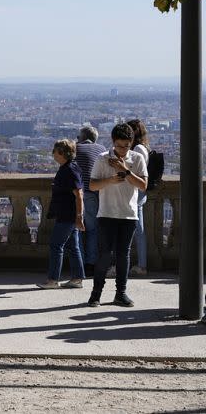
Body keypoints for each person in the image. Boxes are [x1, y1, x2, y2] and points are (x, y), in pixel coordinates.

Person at [88, 123, 148, 308]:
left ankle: (120, 293)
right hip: (106, 213)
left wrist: (125, 171)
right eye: (120, 146)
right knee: (105, 254)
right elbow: (92, 186)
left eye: (126, 146)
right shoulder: (102, 159)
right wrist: (111, 180)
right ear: (113, 143)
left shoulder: (137, 158)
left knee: (123, 255)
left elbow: (143, 185)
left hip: (128, 214)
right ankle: (96, 293)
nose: (123, 150)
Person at [38, 139, 86, 289]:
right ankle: (77, 278)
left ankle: (53, 280)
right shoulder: (70, 167)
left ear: (62, 153)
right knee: (73, 246)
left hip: (67, 215)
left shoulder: (69, 170)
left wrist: (79, 217)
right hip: (68, 214)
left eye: (55, 151)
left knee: (56, 245)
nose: (53, 154)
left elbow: (79, 194)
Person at [75, 125, 107, 277]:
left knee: (78, 229)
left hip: (79, 192)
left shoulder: (75, 148)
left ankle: (79, 263)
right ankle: (91, 263)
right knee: (93, 229)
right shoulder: (102, 149)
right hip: (95, 192)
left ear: (82, 138)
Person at [126, 119, 150, 276]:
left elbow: (138, 171)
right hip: (137, 190)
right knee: (138, 229)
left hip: (137, 190)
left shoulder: (139, 149)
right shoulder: (142, 147)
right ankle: (141, 264)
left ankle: (142, 265)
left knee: (138, 230)